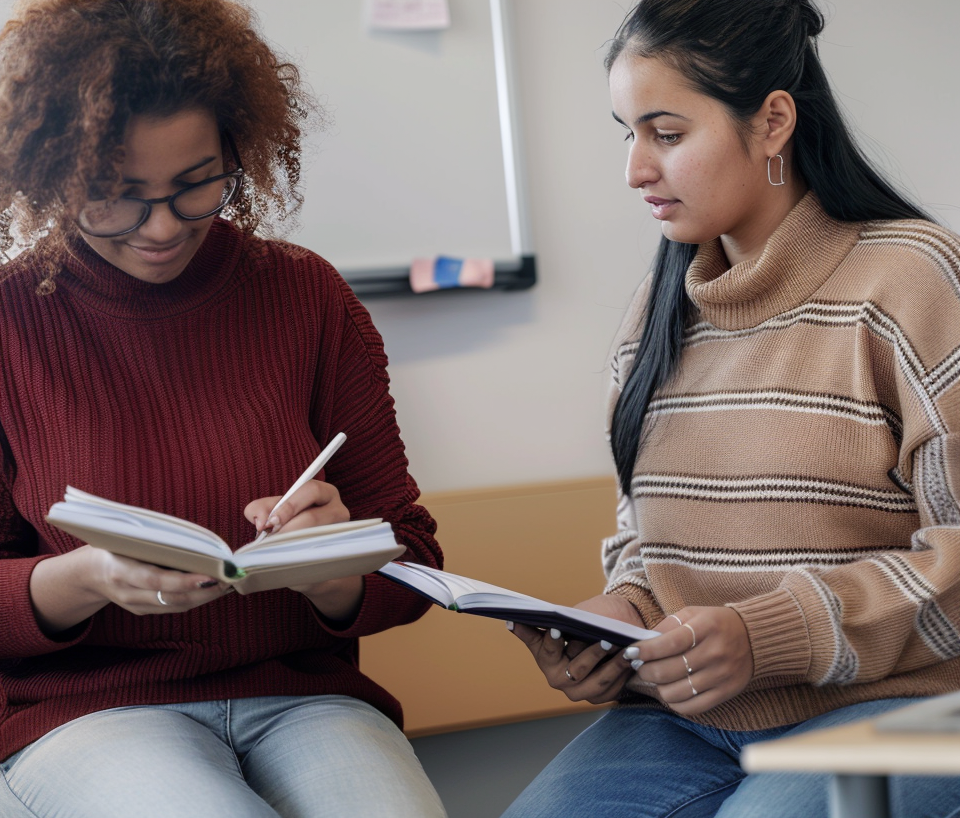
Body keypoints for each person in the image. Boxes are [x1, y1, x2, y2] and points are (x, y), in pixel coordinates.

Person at [502, 1, 960, 816]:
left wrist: (767, 638)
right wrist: (619, 621)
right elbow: (645, 540)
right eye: (627, 132)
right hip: (690, 722)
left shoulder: (911, 280)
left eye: (667, 134)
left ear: (773, 120)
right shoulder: (658, 308)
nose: (636, 169)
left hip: (906, 711)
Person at [0, 1, 447, 816]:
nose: (163, 227)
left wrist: (336, 570)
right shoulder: (9, 321)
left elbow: (413, 557)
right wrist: (88, 577)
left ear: (240, 149)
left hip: (306, 700)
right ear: (54, 171)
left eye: (196, 184)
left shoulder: (306, 295)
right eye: (117, 196)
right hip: (88, 715)